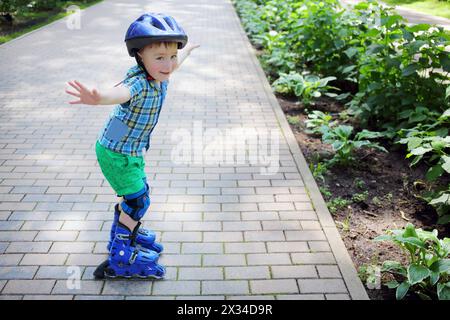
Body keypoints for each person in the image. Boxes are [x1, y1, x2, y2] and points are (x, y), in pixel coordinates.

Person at [65, 13, 199, 279]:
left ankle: (126, 233)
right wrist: (98, 97)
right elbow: (120, 93)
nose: (169, 64)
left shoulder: (160, 74)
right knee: (138, 200)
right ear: (140, 57)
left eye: (172, 56)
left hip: (128, 149)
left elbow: (175, 64)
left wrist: (187, 52)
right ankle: (121, 255)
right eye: (160, 57)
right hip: (117, 153)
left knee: (137, 195)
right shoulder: (138, 82)